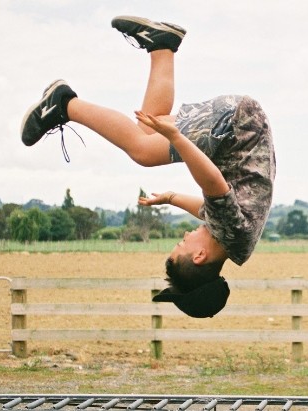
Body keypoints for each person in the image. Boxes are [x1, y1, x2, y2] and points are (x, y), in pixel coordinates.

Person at [20, 15, 276, 317]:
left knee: (146, 130)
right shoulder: (230, 231)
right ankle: (63, 104)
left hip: (242, 126)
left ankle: (162, 46)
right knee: (142, 151)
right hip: (236, 126)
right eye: (182, 243)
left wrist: (170, 198)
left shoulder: (235, 245)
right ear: (199, 256)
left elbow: (208, 208)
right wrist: (178, 138)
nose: (184, 237)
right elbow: (213, 184)